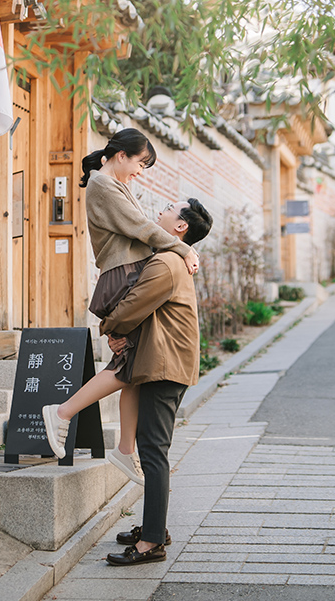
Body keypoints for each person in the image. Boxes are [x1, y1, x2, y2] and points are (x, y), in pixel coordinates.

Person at [41, 128, 201, 487]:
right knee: (126, 365)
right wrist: (182, 248)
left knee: (133, 366)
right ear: (121, 155)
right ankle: (62, 412)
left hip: (128, 273)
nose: (141, 171)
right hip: (121, 276)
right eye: (140, 163)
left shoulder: (115, 183)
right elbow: (140, 226)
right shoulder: (102, 184)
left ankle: (125, 449)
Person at [98, 198, 212, 566]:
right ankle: (153, 528)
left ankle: (152, 543)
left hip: (165, 365)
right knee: (152, 450)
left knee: (153, 451)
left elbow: (133, 304)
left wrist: (110, 327)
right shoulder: (172, 258)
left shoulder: (166, 262)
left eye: (168, 208)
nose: (160, 210)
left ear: (181, 227)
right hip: (162, 361)